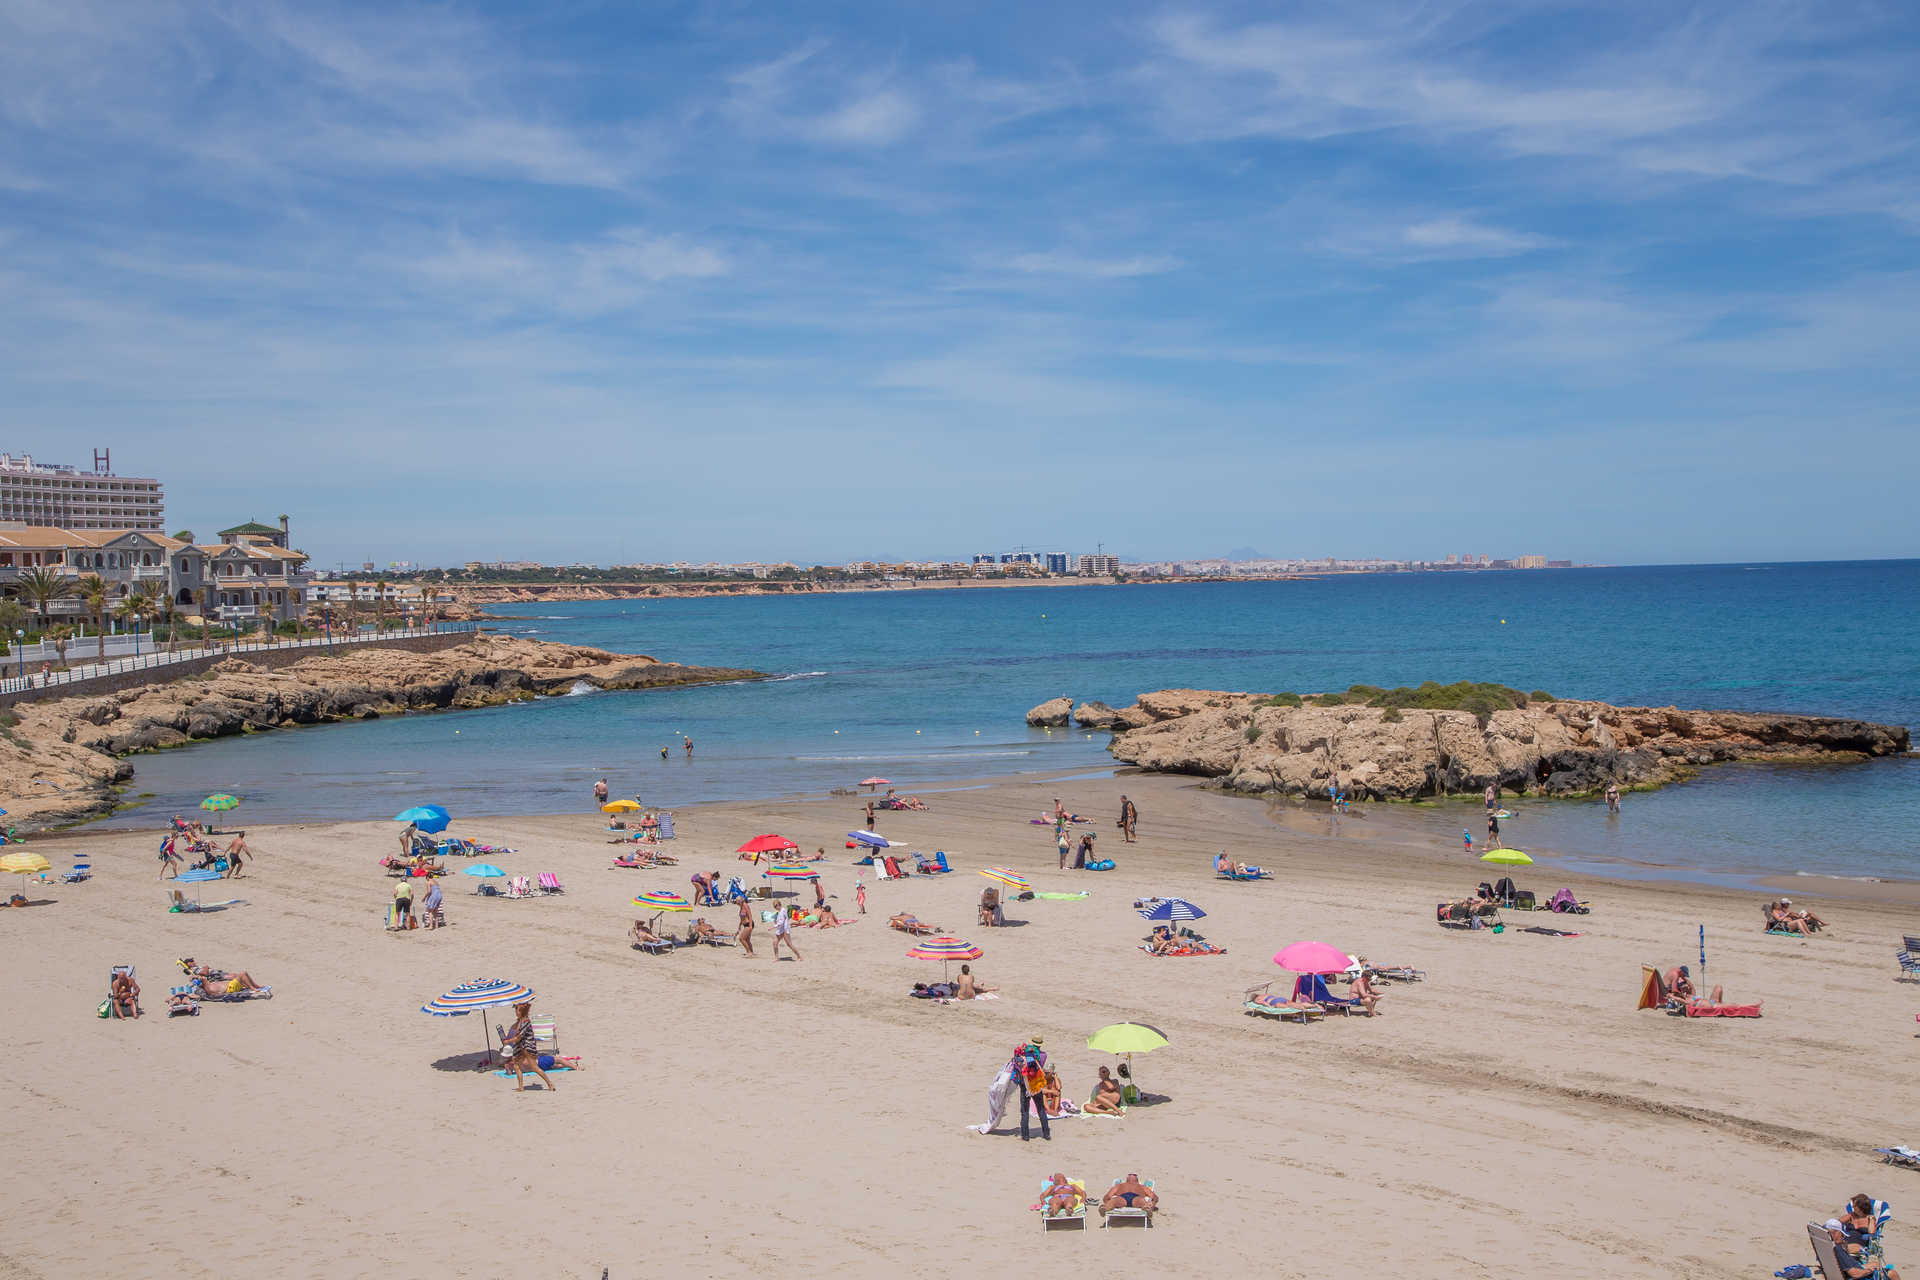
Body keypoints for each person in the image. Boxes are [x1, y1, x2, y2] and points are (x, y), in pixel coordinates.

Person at [501, 1000, 555, 1092]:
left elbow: (518, 1037)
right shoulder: (520, 1021)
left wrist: (508, 1041)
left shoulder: (525, 1022)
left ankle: (550, 1084)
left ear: (522, 1011)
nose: (516, 1012)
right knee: (516, 1066)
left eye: (517, 1010)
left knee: (534, 1067)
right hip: (521, 1048)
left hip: (527, 1048)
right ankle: (521, 1087)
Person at [1014, 1040, 1050, 1141]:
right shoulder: (1043, 1055)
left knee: (1025, 1111)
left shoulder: (1024, 1054)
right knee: (1041, 1109)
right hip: (1036, 1084)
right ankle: (1046, 1133)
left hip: (1025, 1085)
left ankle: (1025, 1136)